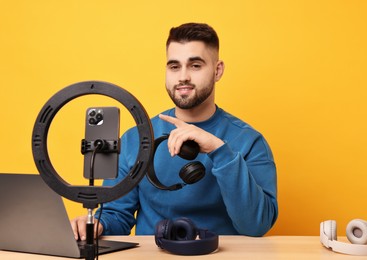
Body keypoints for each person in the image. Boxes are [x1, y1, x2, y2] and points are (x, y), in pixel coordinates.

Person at [71, 22, 278, 239]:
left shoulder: (250, 141)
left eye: (195, 65)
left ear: (217, 70)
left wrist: (220, 151)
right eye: (174, 66)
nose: (183, 77)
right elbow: (116, 215)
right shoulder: (136, 139)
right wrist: (97, 225)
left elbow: (257, 225)